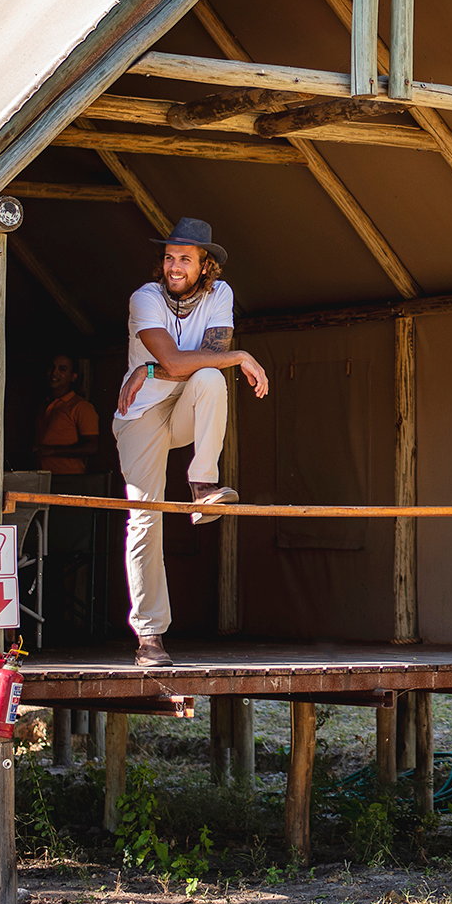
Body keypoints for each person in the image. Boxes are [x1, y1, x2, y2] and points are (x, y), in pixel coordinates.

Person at [112, 217, 269, 667]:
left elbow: (205, 364)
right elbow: (174, 358)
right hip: (140, 415)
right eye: (168, 257)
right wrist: (238, 356)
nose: (174, 266)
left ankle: (203, 485)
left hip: (185, 408)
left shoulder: (221, 295)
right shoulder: (145, 296)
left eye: (185, 258)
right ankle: (150, 635)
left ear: (206, 265)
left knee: (209, 379)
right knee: (145, 519)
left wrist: (156, 369)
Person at [34, 353, 99, 475]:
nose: (54, 373)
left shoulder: (81, 407)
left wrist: (52, 451)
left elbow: (91, 447)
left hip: (69, 478)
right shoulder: (45, 404)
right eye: (52, 367)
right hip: (41, 477)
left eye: (62, 369)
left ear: (73, 376)